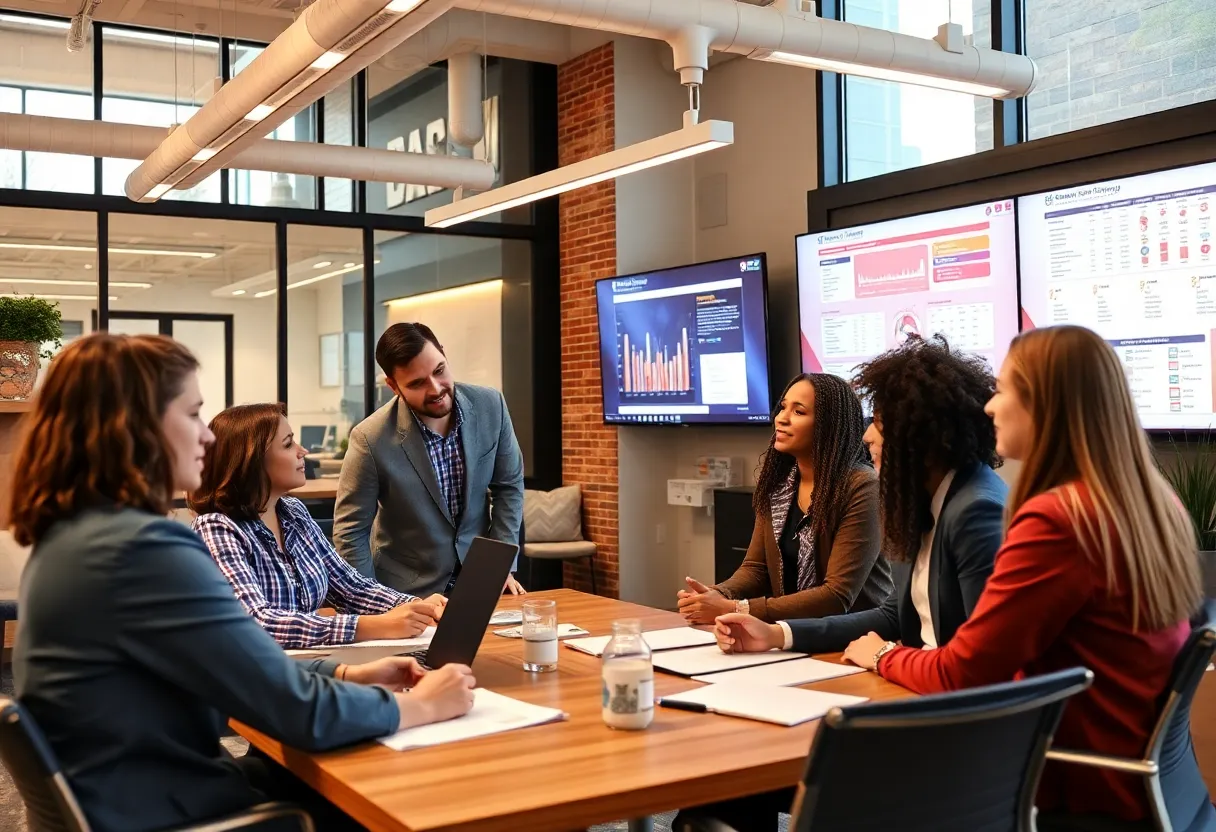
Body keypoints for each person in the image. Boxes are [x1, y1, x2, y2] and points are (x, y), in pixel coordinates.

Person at [8, 333, 475, 832]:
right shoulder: (143, 551)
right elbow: (296, 712)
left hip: (134, 793)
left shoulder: (75, 538)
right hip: (166, 810)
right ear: (135, 429)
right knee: (409, 800)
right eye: (192, 416)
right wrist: (421, 705)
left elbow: (240, 660)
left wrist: (348, 675)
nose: (208, 438)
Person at [843, 325, 1204, 830]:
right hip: (1144, 783)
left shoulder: (1060, 519)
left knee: (856, 794)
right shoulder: (1150, 501)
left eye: (1005, 389)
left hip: (1072, 784)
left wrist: (883, 655)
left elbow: (965, 674)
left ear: (1046, 405)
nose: (990, 406)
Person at [713, 336, 1007, 656]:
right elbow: (894, 615)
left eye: (879, 423)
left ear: (920, 432)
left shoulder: (975, 511)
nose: (868, 434)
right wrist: (777, 635)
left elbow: (987, 657)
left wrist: (885, 659)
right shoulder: (925, 500)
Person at [190, 403, 448, 649]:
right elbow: (257, 623)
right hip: (254, 679)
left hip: (305, 666)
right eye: (288, 444)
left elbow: (349, 586)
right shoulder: (216, 529)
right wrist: (371, 626)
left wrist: (417, 607)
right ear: (251, 460)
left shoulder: (293, 513)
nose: (303, 452)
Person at [677, 372, 891, 625]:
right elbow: (756, 568)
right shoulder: (779, 483)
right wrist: (716, 594)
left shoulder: (863, 486)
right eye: (782, 407)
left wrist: (736, 608)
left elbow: (837, 595)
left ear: (829, 424)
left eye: (798, 412)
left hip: (852, 634)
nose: (781, 418)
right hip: (792, 630)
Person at [334, 322, 526, 597]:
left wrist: (499, 565)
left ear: (444, 355)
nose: (436, 388)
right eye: (417, 383)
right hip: (406, 594)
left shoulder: (490, 405)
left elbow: (508, 487)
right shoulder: (369, 439)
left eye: (439, 370)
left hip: (482, 581)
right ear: (393, 386)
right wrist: (371, 601)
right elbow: (350, 532)